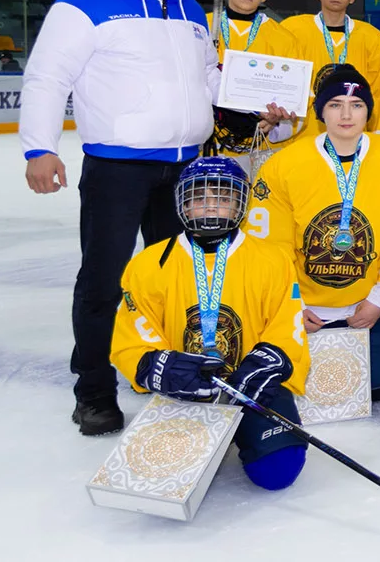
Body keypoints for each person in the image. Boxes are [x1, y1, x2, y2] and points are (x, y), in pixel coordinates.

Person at [20, 0, 219, 435]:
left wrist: (252, 101)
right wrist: (39, 148)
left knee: (177, 279)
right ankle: (93, 390)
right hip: (118, 169)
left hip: (184, 168)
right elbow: (46, 78)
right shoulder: (83, 2)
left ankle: (164, 368)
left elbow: (208, 77)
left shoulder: (189, 8)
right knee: (103, 281)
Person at [109, 157, 310, 490]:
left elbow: (286, 323)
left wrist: (268, 364)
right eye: (199, 197)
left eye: (223, 197)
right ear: (183, 204)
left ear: (240, 204)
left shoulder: (273, 259)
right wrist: (160, 366)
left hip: (251, 385)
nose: (211, 205)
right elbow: (133, 335)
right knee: (164, 477)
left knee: (278, 472)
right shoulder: (148, 265)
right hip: (185, 390)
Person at [246, 67, 380, 401]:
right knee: (293, 388)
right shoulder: (283, 164)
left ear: (368, 111)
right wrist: (289, 305)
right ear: (321, 111)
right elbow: (268, 243)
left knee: (377, 390)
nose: (346, 115)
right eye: (335, 104)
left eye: (356, 105)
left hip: (370, 303)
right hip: (306, 306)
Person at [280, 0, 380, 140]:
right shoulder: (292, 30)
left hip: (353, 137)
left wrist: (377, 138)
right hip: (304, 138)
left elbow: (377, 94)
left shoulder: (373, 38)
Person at [206, 0, 299, 161]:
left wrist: (276, 121)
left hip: (259, 146)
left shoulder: (283, 39)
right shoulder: (202, 26)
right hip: (208, 142)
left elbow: (297, 97)